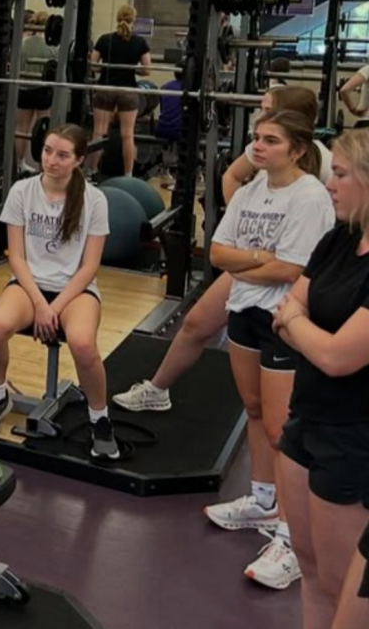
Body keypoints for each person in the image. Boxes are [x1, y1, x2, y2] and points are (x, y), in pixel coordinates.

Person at [116, 86, 335, 417]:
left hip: (294, 277)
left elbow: (329, 228)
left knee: (281, 395)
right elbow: (232, 175)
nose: (259, 120)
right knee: (196, 325)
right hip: (254, 267)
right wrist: (246, 220)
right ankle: (157, 389)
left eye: (266, 109)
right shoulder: (263, 145)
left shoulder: (322, 166)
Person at [200, 111, 333, 590]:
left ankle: (291, 536)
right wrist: (261, 259)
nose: (258, 146)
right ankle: (260, 501)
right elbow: (216, 252)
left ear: (297, 149)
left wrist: (252, 264)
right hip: (243, 311)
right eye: (256, 138)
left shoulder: (311, 196)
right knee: (254, 409)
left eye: (270, 140)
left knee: (282, 428)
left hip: (282, 319)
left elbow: (292, 269)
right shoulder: (253, 188)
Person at [271, 128, 369, 627]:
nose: (329, 183)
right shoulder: (337, 239)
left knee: (338, 586)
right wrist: (299, 323)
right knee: (309, 572)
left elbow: (337, 358)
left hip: (351, 439)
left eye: (341, 174)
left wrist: (297, 324)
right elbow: (285, 309)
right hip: (305, 419)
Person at [0, 124, 117, 459]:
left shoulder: (95, 201)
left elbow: (89, 267)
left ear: (79, 160)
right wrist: (40, 303)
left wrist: (55, 306)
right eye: (48, 151)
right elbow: (17, 257)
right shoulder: (22, 192)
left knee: (82, 344)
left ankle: (100, 418)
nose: (51, 160)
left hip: (76, 290)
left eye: (62, 155)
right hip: (29, 285)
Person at [88, 5, 151, 176]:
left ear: (117, 18)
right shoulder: (140, 42)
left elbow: (93, 66)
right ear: (134, 20)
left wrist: (108, 69)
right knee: (127, 136)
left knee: (98, 133)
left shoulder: (104, 39)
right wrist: (131, 69)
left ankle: (91, 172)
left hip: (105, 88)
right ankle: (128, 174)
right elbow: (147, 69)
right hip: (128, 90)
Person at [16, 11, 56, 173]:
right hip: (43, 91)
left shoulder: (23, 44)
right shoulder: (52, 47)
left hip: (24, 89)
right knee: (44, 130)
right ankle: (43, 167)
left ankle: (20, 164)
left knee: (21, 129)